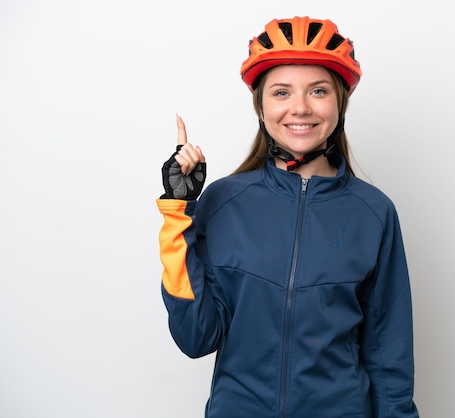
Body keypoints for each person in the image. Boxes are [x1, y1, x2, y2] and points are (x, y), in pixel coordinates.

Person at [156, 16, 419, 418]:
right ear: (261, 106)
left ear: (340, 103)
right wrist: (179, 212)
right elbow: (196, 335)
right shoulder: (224, 201)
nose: (300, 108)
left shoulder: (374, 212)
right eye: (282, 92)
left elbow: (389, 352)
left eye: (318, 91)